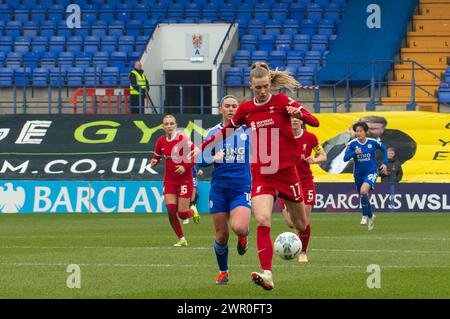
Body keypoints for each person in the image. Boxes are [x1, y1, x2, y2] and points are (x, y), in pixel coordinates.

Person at [189, 62, 320, 290]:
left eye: (265, 86)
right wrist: (203, 147)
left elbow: (314, 122)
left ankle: (299, 241)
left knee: (301, 223)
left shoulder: (282, 102)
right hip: (262, 173)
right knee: (262, 220)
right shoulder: (246, 109)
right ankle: (267, 273)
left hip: (288, 172)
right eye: (258, 87)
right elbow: (224, 132)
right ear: (250, 85)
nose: (262, 91)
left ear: (270, 83)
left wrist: (300, 113)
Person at [197, 95, 252, 285]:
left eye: (234, 106)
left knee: (239, 227)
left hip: (241, 187)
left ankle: (244, 236)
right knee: (221, 234)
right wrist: (213, 158)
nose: (231, 109)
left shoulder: (248, 130)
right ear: (221, 109)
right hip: (219, 189)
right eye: (227, 106)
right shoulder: (212, 133)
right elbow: (200, 159)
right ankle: (223, 271)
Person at [279, 117, 327, 263]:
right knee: (291, 223)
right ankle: (295, 246)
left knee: (304, 221)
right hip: (286, 183)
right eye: (291, 118)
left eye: (297, 118)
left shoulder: (310, 138)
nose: (294, 120)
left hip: (305, 183)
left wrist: (315, 160)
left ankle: (303, 252)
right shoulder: (282, 136)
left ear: (301, 121)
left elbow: (323, 156)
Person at [151, 115, 200, 246]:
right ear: (163, 127)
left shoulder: (183, 140)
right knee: (171, 208)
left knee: (183, 214)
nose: (169, 126)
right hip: (169, 180)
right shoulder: (160, 141)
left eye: (171, 124)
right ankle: (181, 238)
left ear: (176, 125)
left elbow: (195, 156)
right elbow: (156, 157)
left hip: (184, 180)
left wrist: (184, 167)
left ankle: (192, 211)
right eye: (166, 124)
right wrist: (154, 162)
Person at [321, 115, 416, 174]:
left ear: (383, 130)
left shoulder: (383, 151)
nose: (366, 131)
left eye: (373, 129)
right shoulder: (335, 148)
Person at [343, 121, 388, 230]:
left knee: (363, 191)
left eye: (360, 131)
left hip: (371, 172)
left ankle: (364, 215)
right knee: (363, 195)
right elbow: (345, 158)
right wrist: (354, 153)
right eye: (357, 131)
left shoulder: (372, 142)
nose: (358, 133)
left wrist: (385, 163)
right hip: (358, 174)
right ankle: (371, 216)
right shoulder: (352, 144)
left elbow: (384, 149)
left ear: (365, 132)